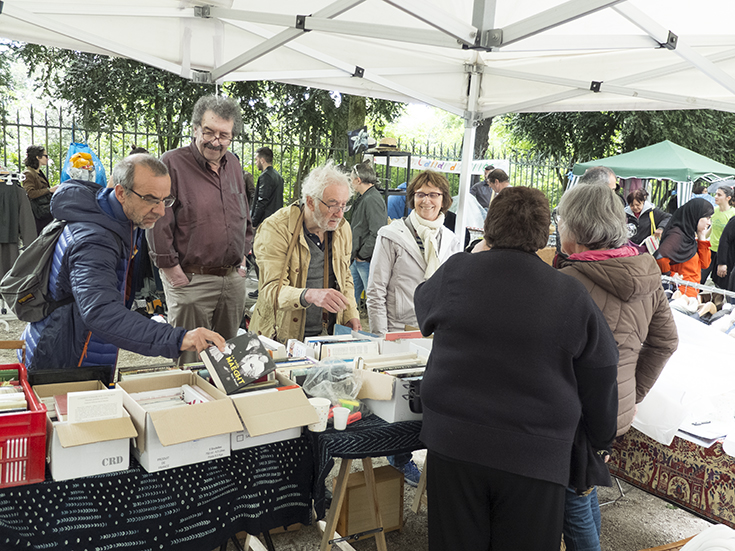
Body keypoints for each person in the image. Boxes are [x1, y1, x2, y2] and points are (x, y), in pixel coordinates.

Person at [414, 186, 619, 551]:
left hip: (455, 441)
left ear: (488, 229)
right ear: (544, 234)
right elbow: (601, 370)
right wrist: (601, 439)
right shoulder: (568, 293)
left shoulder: (458, 271)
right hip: (534, 453)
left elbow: (424, 308)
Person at [556, 184, 678, 551]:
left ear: (575, 227)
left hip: (571, 410)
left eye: (561, 219)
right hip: (613, 409)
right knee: (584, 481)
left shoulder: (568, 282)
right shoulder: (645, 271)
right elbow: (666, 341)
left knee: (572, 493)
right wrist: (632, 394)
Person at [20, 154, 226, 371]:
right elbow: (101, 311)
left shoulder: (116, 219)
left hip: (82, 345)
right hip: (66, 358)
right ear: (120, 193)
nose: (161, 211)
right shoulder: (94, 240)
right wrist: (180, 338)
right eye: (150, 199)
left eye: (165, 200)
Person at [366, 170, 461, 487]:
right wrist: (382, 337)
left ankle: (425, 455)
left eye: (434, 194)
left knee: (430, 398)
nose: (427, 200)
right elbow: (376, 290)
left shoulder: (450, 238)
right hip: (399, 330)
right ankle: (399, 459)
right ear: (412, 199)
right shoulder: (391, 235)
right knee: (401, 403)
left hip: (435, 331)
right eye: (421, 194)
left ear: (444, 199)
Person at [147, 95, 253, 365]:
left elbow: (244, 213)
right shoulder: (172, 163)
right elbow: (157, 221)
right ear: (195, 129)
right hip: (191, 281)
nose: (215, 141)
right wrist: (171, 270)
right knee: (192, 365)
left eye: (224, 135)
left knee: (228, 363)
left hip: (231, 280)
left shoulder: (234, 165)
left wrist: (243, 256)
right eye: (209, 132)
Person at [249, 161, 361, 342]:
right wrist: (309, 294)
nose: (340, 214)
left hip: (327, 335)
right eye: (333, 205)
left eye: (344, 205)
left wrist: (350, 313)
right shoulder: (276, 228)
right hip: (282, 335)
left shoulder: (342, 228)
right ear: (310, 201)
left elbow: (345, 277)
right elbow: (270, 290)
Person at [655, 199, 714, 297]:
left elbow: (705, 264)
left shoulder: (688, 234)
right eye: (707, 218)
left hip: (690, 291)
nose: (709, 223)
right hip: (679, 294)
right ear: (696, 215)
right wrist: (670, 274)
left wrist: (702, 238)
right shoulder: (677, 235)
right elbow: (660, 256)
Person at [349, 160, 387, 307]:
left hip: (364, 259)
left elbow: (377, 231)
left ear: (358, 180)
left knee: (373, 300)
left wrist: (362, 255)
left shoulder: (372, 199)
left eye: (352, 179)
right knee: (351, 298)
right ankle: (346, 328)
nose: (351, 183)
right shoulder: (366, 197)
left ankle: (375, 329)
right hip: (359, 257)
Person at [702, 186, 735, 283]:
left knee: (720, 281)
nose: (716, 197)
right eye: (715, 194)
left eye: (719, 195)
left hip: (724, 254)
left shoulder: (732, 214)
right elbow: (712, 228)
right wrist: (702, 238)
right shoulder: (714, 211)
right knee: (701, 277)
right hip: (710, 250)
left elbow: (728, 237)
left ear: (728, 198)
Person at [22, 145, 56, 234]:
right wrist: (49, 190)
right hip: (38, 213)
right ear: (38, 157)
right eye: (46, 156)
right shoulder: (28, 173)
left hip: (44, 211)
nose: (47, 159)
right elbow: (30, 193)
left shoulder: (38, 172)